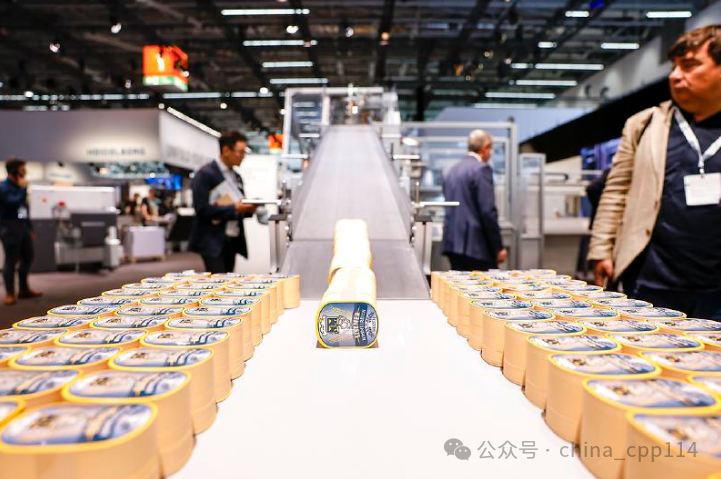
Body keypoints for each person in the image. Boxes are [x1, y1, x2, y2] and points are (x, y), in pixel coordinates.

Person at [589, 25, 721, 319]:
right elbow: (616, 191)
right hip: (650, 282)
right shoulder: (644, 124)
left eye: (689, 65)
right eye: (674, 66)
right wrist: (600, 250)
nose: (675, 75)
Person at [189, 130, 257, 273]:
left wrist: (248, 208)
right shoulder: (205, 174)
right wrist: (235, 208)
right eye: (240, 152)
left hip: (233, 239)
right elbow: (201, 209)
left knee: (229, 280)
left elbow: (238, 207)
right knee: (218, 281)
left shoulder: (236, 176)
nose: (243, 156)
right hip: (213, 241)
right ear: (226, 150)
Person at [441, 129, 507, 271]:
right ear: (484, 148)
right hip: (477, 248)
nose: (491, 153)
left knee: (459, 284)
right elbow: (487, 211)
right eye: (491, 149)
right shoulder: (481, 170)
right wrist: (498, 247)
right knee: (485, 284)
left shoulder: (453, 170)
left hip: (453, 245)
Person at [0, 158, 41, 305]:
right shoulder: (4, 187)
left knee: (28, 257)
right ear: (14, 170)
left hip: (22, 226)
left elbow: (24, 209)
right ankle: (10, 293)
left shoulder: (18, 187)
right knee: (11, 260)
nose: (25, 172)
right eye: (22, 169)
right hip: (9, 227)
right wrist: (23, 189)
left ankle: (23, 289)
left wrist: (29, 228)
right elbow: (13, 203)